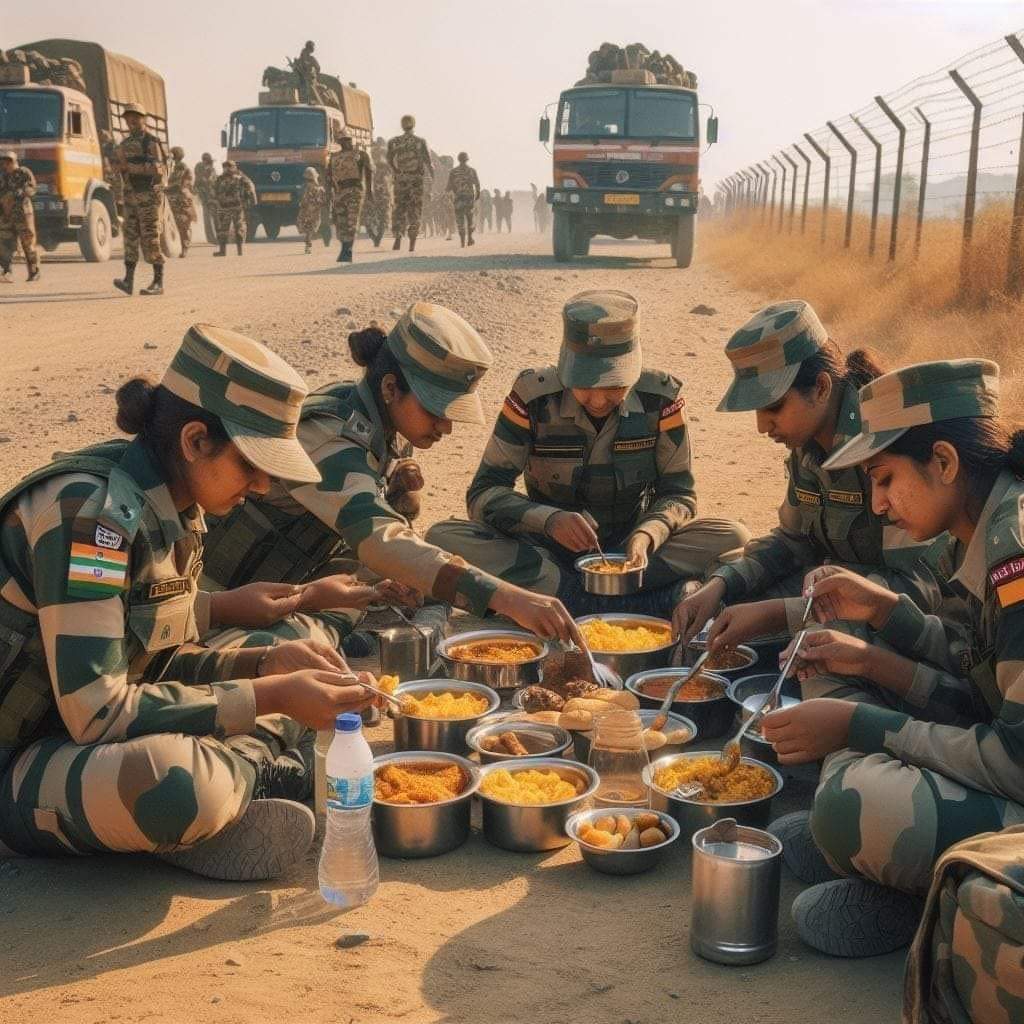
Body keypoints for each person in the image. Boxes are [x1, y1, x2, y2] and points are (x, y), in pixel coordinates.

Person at [0, 323, 375, 882]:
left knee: (297, 643)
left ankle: (230, 789)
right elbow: (98, 712)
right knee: (172, 782)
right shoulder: (90, 516)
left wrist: (263, 666)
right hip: (22, 758)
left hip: (70, 732)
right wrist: (269, 695)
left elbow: (151, 661)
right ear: (196, 440)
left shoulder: (174, 503)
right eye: (252, 465)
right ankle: (246, 778)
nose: (263, 488)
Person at [756, 360, 1024, 991]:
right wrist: (879, 628)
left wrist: (866, 725)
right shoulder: (978, 524)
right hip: (1003, 751)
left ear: (944, 461)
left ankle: (930, 893)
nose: (877, 503)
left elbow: (1016, 758)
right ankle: (895, 858)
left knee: (854, 807)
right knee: (832, 644)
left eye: (885, 479)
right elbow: (975, 678)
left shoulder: (1015, 556)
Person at [201, 304, 584, 647]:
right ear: (389, 387)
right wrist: (507, 597)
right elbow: (378, 537)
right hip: (223, 597)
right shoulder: (330, 433)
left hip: (293, 578)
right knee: (308, 648)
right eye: (436, 411)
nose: (445, 427)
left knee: (402, 589)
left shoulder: (382, 426)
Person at [426, 290, 750, 614]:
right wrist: (548, 520)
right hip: (547, 555)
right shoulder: (532, 397)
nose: (598, 401)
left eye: (614, 387)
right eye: (584, 385)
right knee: (442, 537)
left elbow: (679, 494)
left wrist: (646, 536)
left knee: (732, 536)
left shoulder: (660, 400)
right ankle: (610, 601)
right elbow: (483, 494)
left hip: (633, 556)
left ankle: (574, 601)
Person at [673, 300, 941, 644]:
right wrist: (720, 585)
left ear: (821, 387)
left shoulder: (885, 445)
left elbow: (920, 587)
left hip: (894, 612)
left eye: (773, 408)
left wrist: (781, 613)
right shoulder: (808, 440)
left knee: (810, 637)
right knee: (721, 591)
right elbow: (792, 542)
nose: (761, 426)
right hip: (824, 588)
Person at [112, 103, 165, 296]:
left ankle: (158, 282)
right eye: (128, 117)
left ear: (144, 119)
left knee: (150, 238)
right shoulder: (123, 145)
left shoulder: (150, 141)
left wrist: (131, 167)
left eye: (136, 117)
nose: (131, 120)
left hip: (148, 197)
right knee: (130, 239)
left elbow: (157, 170)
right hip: (130, 197)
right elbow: (118, 172)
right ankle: (128, 280)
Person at [387, 115, 432, 251]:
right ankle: (412, 243)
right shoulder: (420, 142)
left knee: (399, 209)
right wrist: (431, 185)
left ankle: (398, 238)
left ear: (402, 125)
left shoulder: (394, 141)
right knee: (415, 210)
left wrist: (396, 171)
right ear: (414, 124)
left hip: (400, 180)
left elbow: (389, 159)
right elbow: (430, 163)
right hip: (416, 181)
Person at [326, 130, 372, 264]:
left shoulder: (361, 155)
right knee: (341, 223)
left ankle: (347, 251)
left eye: (347, 140)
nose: (345, 142)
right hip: (340, 192)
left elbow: (369, 173)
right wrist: (330, 195)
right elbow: (329, 177)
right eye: (342, 140)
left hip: (354, 191)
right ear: (339, 142)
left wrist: (369, 192)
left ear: (351, 140)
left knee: (352, 221)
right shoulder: (334, 157)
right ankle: (345, 248)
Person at [0, 150, 40, 283]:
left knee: (28, 244)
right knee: (5, 245)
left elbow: (32, 189)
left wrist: (19, 193)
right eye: (4, 162)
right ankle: (7, 272)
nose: (6, 165)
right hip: (7, 216)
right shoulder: (3, 176)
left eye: (8, 162)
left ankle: (34, 272)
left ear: (14, 161)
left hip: (23, 214)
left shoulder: (24, 172)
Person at [213, 160, 256, 257]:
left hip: (229, 207)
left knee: (228, 229)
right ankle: (236, 251)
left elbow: (214, 192)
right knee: (234, 228)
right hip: (232, 207)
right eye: (226, 167)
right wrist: (251, 201)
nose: (227, 169)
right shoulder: (239, 178)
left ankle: (225, 251)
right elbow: (251, 188)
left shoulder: (224, 178)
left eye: (228, 166)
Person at [165, 146, 196, 258]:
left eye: (172, 154)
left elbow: (185, 185)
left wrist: (166, 188)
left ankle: (184, 249)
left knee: (183, 225)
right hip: (170, 200)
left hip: (182, 200)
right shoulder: (169, 168)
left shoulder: (184, 169)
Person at [446, 152, 480, 247]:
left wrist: (449, 195)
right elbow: (477, 185)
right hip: (469, 199)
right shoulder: (472, 171)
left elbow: (448, 187)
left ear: (458, 159)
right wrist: (477, 195)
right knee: (470, 220)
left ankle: (462, 242)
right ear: (467, 159)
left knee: (460, 221)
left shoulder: (453, 172)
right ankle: (469, 239)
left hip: (458, 199)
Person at [363, 149, 392, 247]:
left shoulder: (371, 168)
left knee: (371, 220)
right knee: (381, 219)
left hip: (377, 197)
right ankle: (376, 238)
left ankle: (376, 238)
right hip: (378, 197)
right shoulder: (386, 169)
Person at [297, 167, 326, 254]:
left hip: (304, 211)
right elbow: (322, 201)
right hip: (314, 211)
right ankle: (308, 245)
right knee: (311, 229)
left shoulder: (303, 187)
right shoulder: (318, 189)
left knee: (307, 228)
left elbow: (300, 199)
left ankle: (308, 244)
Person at [193, 152, 218, 243]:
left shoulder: (208, 169)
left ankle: (212, 238)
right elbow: (204, 181)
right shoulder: (203, 169)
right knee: (210, 217)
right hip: (208, 196)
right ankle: (213, 238)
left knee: (210, 217)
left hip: (210, 196)